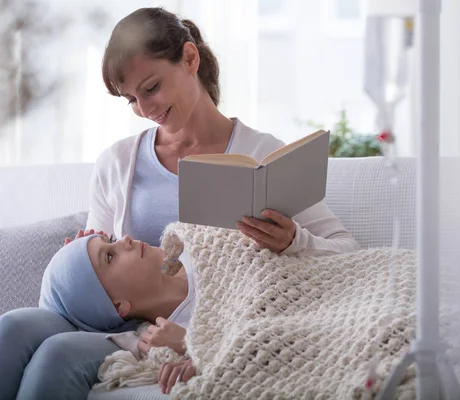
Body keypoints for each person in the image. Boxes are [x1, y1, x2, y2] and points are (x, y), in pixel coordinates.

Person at [0, 6, 359, 400]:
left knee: (58, 354)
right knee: (12, 327)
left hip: (163, 331)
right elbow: (99, 267)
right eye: (131, 100)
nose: (145, 110)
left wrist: (293, 242)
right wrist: (83, 255)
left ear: (190, 59)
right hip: (112, 316)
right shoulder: (117, 163)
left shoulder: (261, 155)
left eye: (151, 88)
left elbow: (347, 255)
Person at [39, 233, 196, 394]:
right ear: (118, 306)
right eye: (109, 256)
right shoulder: (170, 340)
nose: (126, 239)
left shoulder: (197, 245)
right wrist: (189, 344)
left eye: (112, 240)